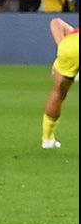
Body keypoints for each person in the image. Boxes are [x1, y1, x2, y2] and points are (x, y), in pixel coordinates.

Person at [42, 18, 78, 149]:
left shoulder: (72, 32)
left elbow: (55, 22)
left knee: (58, 93)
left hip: (69, 49)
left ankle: (47, 139)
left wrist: (61, 48)